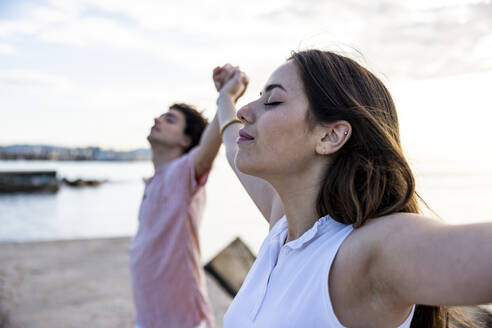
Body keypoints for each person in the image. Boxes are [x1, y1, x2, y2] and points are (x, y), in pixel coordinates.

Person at [213, 50, 492, 328]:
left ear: (330, 135)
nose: (244, 111)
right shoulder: (282, 229)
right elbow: (231, 141)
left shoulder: (369, 252)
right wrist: (226, 98)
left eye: (272, 101)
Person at [129, 100, 225, 328]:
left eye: (169, 119)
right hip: (148, 316)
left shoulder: (182, 173)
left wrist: (226, 96)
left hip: (182, 320)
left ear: (185, 140)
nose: (157, 119)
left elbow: (206, 151)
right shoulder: (156, 181)